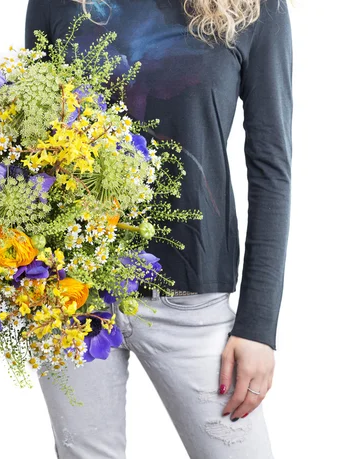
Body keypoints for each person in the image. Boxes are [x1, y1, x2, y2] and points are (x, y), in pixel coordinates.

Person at [24, 0, 292, 457]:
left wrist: (259, 325)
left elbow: (271, 170)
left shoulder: (254, 7)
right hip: (70, 293)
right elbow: (27, 143)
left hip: (193, 299)